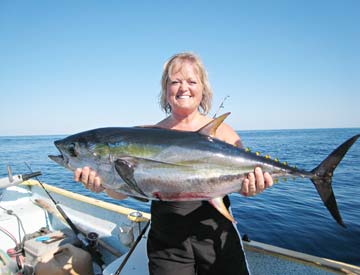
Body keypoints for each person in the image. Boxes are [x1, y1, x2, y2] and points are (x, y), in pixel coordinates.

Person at [75, 52, 273, 275]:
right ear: (165, 89)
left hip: (216, 236)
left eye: (191, 81)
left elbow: (242, 182)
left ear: (203, 89)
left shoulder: (223, 133)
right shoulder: (146, 135)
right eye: (175, 81)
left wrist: (253, 187)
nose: (183, 87)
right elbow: (123, 192)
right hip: (168, 244)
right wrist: (102, 185)